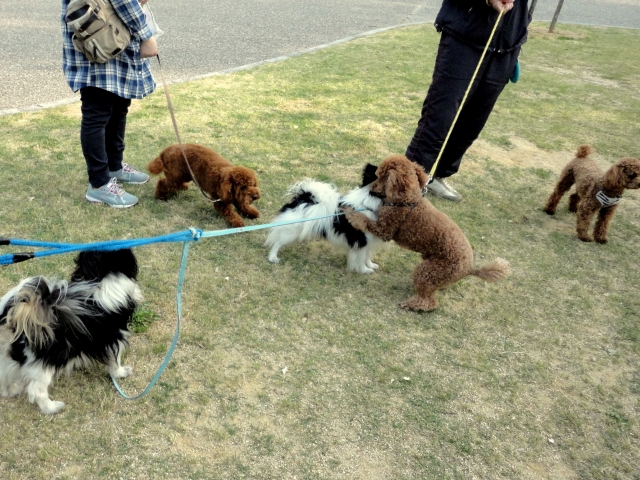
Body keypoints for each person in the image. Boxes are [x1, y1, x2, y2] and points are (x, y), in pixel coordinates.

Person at [405, 0, 530, 202]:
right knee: (440, 115)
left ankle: (439, 174)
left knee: (473, 122)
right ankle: (409, 181)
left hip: (507, 44)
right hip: (464, 39)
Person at [61, 0, 158, 208]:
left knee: (118, 106)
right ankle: (99, 185)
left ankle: (114, 167)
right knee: (97, 113)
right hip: (99, 39)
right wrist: (146, 35)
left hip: (113, 37)